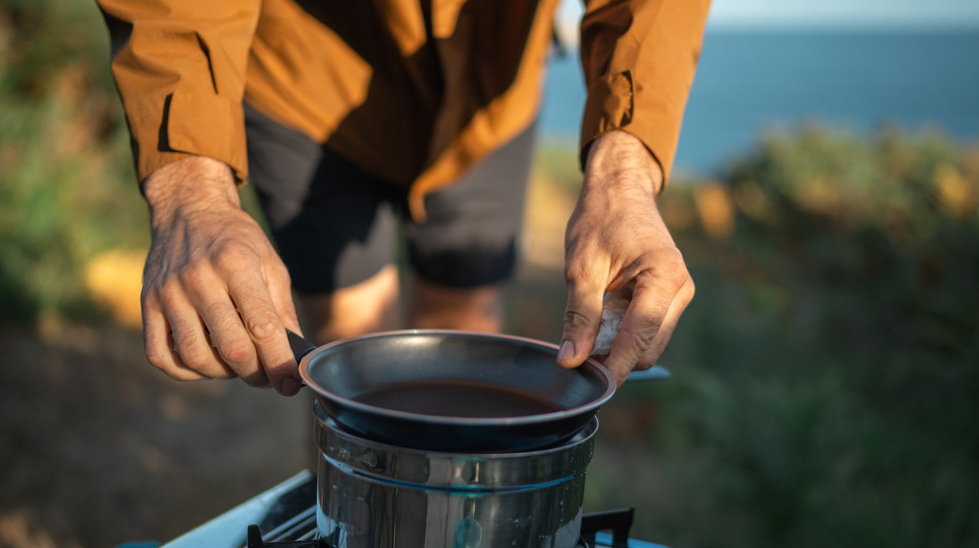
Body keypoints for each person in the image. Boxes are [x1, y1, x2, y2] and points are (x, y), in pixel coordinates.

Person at [96, 0, 710, 395]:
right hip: (304, 76)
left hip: (488, 87)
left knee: (468, 339)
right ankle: (345, 530)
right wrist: (192, 193)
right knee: (349, 363)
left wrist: (622, 173)